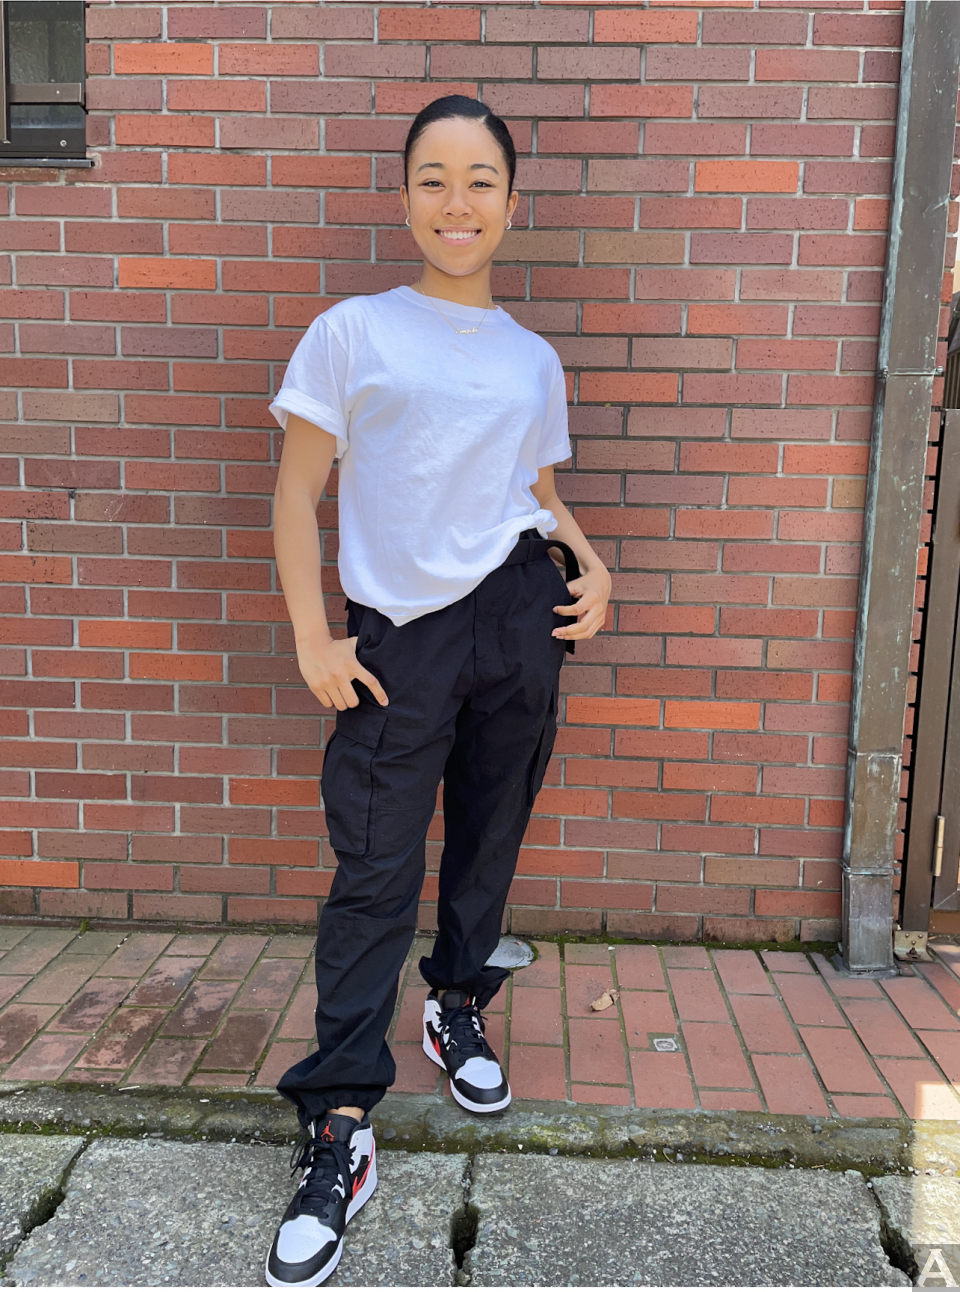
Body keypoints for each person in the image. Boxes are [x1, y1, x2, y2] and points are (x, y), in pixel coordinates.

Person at [263, 94, 611, 1287]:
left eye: (479, 181)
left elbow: (539, 493)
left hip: (518, 614)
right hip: (397, 636)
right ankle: (339, 1118)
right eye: (433, 178)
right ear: (404, 195)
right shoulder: (353, 331)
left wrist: (593, 561)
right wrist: (313, 635)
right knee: (373, 866)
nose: (457, 203)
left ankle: (457, 999)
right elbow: (296, 490)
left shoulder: (531, 356)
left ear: (513, 202)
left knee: (490, 830)